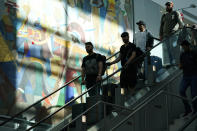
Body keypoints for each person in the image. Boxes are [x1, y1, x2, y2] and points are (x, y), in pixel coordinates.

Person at [159, 1, 184, 67]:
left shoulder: (175, 13)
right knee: (168, 50)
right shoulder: (164, 15)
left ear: (172, 6)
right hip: (165, 36)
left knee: (174, 49)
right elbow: (161, 26)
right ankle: (171, 62)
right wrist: (160, 35)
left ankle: (177, 62)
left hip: (173, 35)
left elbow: (180, 22)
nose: (167, 6)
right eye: (166, 5)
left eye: (168, 5)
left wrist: (180, 28)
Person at [179, 40, 197, 117]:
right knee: (181, 91)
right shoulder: (182, 55)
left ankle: (195, 110)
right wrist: (181, 66)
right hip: (185, 76)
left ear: (187, 46)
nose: (183, 48)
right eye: (182, 47)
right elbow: (180, 64)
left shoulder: (194, 53)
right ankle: (188, 109)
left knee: (194, 94)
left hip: (194, 75)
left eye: (184, 46)